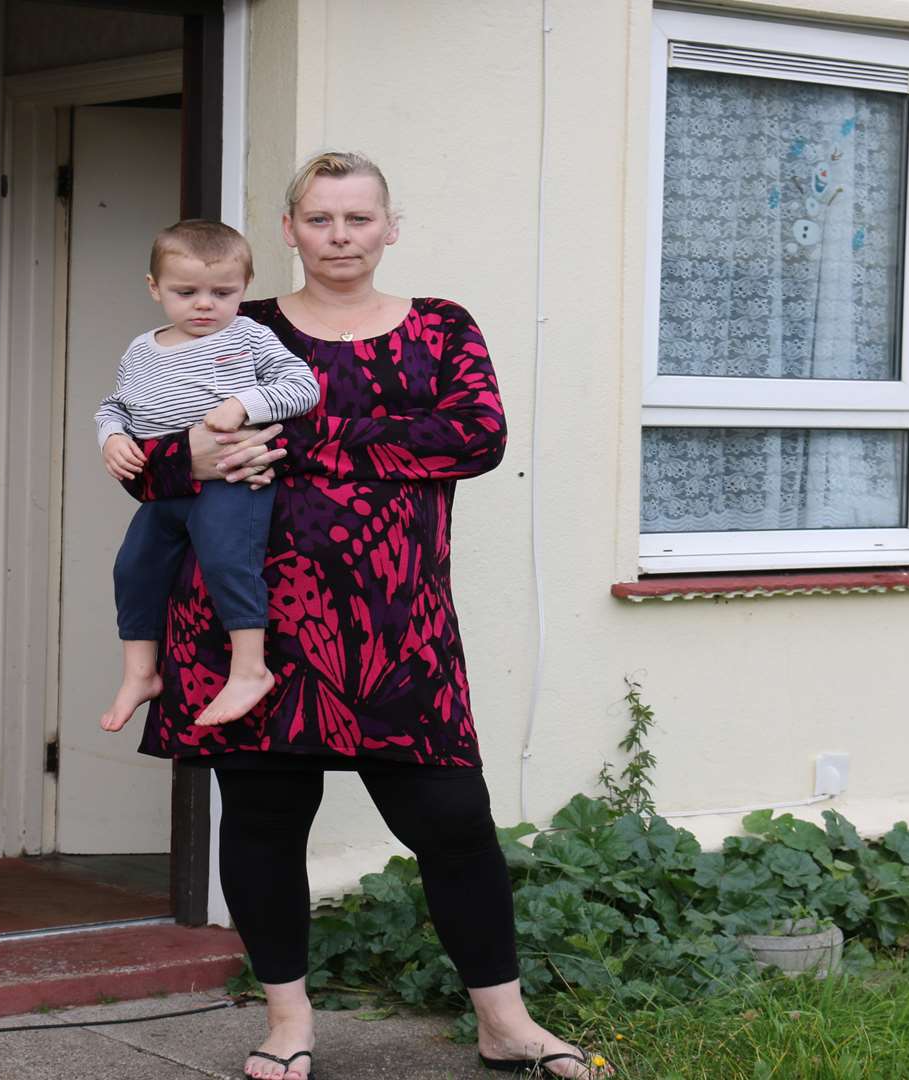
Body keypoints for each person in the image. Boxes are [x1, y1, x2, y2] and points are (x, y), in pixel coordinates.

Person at [112, 154, 610, 1080]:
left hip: (397, 620)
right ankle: (288, 1025)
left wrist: (287, 439)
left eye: (357, 219)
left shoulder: (440, 328)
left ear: (390, 227)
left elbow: (474, 437)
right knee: (263, 822)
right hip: (250, 622)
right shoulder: (236, 324)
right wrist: (192, 457)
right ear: (290, 230)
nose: (339, 237)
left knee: (454, 822)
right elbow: (155, 467)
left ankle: (506, 1027)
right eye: (319, 220)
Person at [96, 219, 321, 734]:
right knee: (133, 567)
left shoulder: (248, 336)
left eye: (223, 292)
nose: (205, 304)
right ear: (155, 289)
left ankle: (249, 669)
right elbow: (115, 405)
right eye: (186, 292)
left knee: (227, 559)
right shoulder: (141, 349)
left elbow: (302, 384)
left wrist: (244, 402)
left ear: (244, 289)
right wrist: (111, 437)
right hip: (165, 489)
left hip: (231, 482)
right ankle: (140, 673)